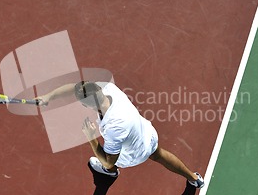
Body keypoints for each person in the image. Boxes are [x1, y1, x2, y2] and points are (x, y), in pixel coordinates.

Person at [37, 81, 204, 189]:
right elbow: (76, 88)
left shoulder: (113, 127)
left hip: (134, 154)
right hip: (146, 134)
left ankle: (111, 174)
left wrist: (91, 137)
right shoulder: (109, 89)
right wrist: (49, 96)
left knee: (108, 162)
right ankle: (194, 178)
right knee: (159, 154)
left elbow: (109, 161)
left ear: (85, 105)